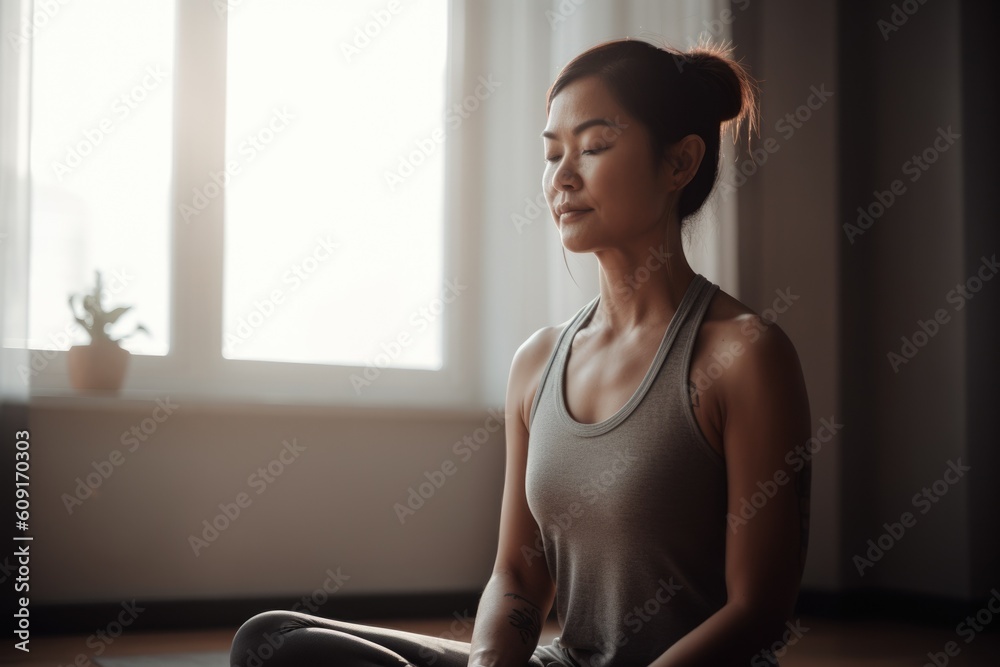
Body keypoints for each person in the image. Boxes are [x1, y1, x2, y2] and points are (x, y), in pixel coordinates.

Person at [229, 37, 811, 667]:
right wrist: (487, 662)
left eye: (592, 147)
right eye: (552, 153)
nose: (562, 177)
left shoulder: (745, 356)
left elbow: (757, 612)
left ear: (679, 163)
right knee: (272, 641)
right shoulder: (537, 364)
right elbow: (518, 576)